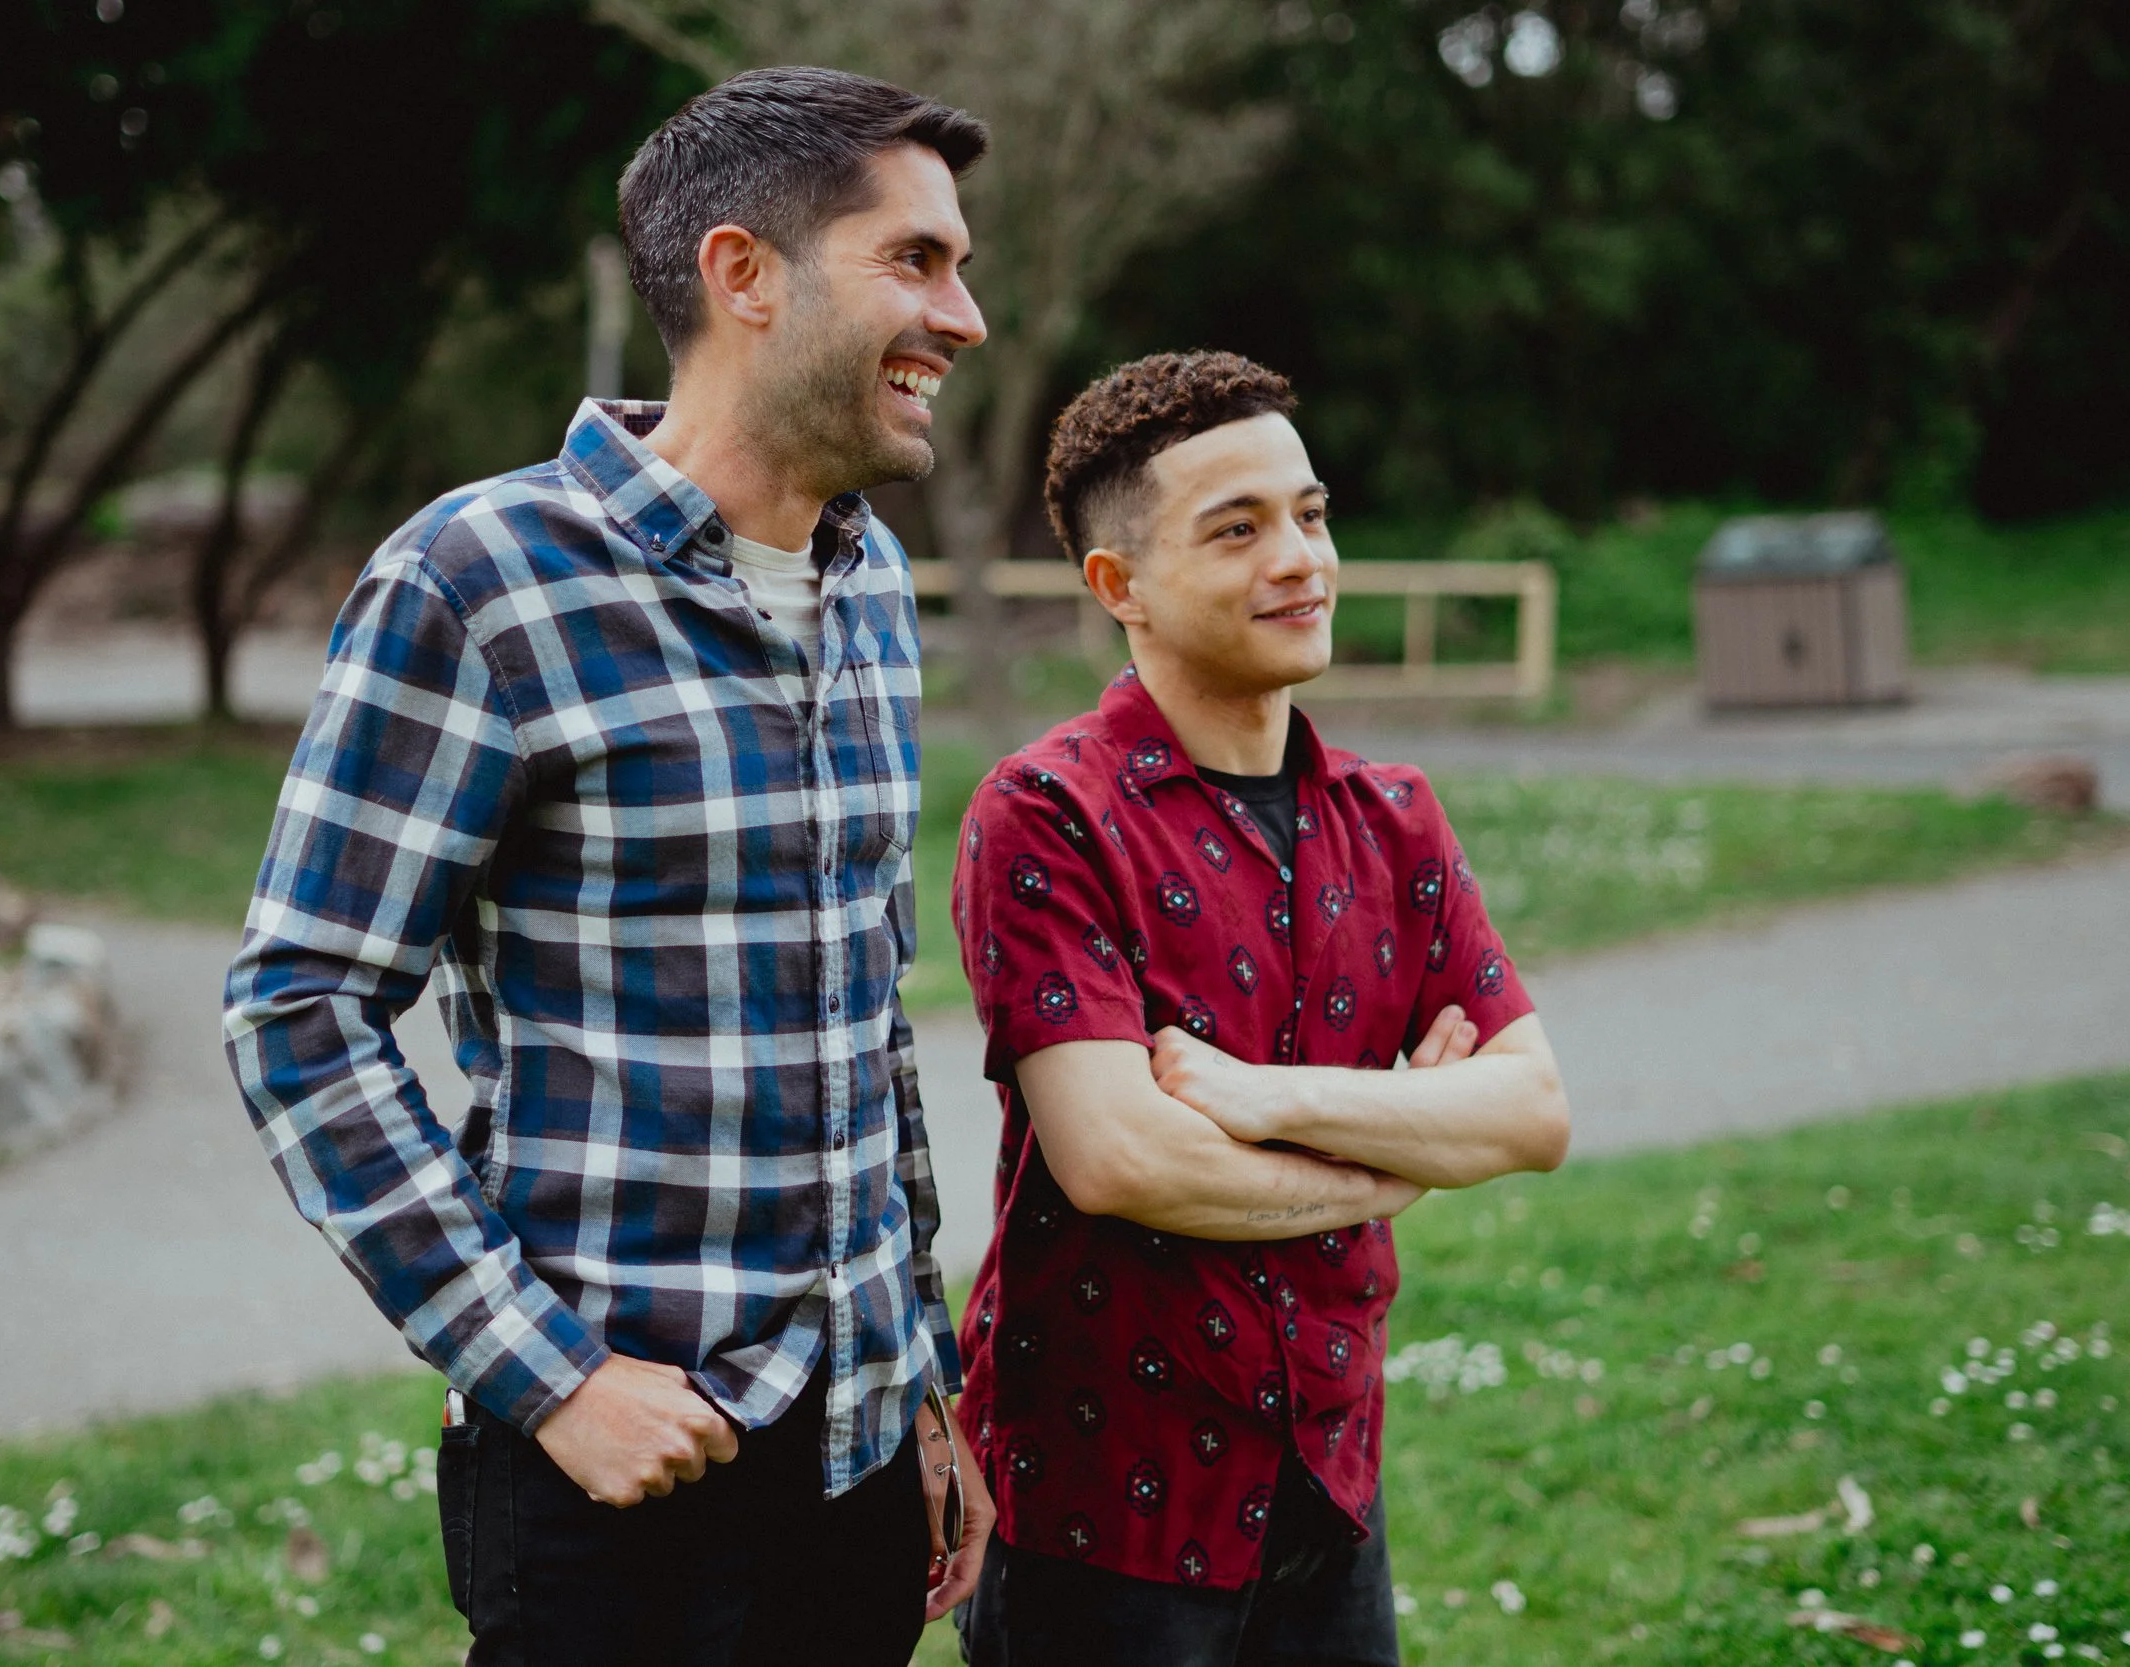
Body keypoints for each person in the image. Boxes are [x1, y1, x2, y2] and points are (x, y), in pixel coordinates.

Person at [222, 66, 996, 1667]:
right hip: (615, 1479)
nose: (964, 315)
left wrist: (917, 1377)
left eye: (959, 264)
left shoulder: (873, 586)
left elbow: (866, 1028)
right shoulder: (477, 576)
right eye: (915, 260)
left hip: (855, 1460)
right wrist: (552, 1375)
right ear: (742, 275)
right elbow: (298, 1007)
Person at [950, 351, 1570, 1667]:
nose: (1300, 557)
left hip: (1333, 1485)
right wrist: (1393, 1156)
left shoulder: (1392, 814)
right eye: (1237, 530)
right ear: (1120, 587)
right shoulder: (1050, 813)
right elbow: (1118, 1156)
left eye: (1311, 513)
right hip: (1103, 1504)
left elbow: (1531, 1109)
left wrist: (1264, 1097)